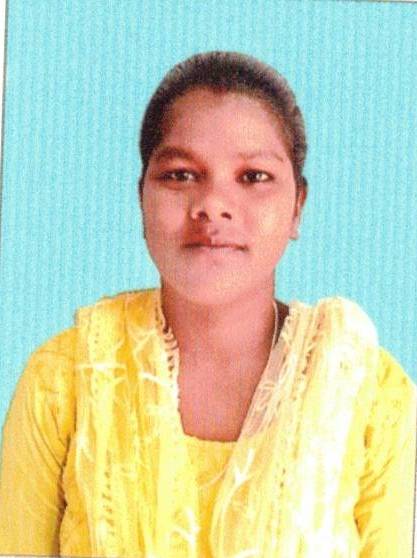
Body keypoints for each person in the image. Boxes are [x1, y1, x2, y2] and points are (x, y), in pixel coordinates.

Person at [0, 51, 415, 558]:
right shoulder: (63, 382)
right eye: (180, 175)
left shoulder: (368, 393)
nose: (212, 205)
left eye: (253, 176)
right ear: (141, 197)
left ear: (297, 207)